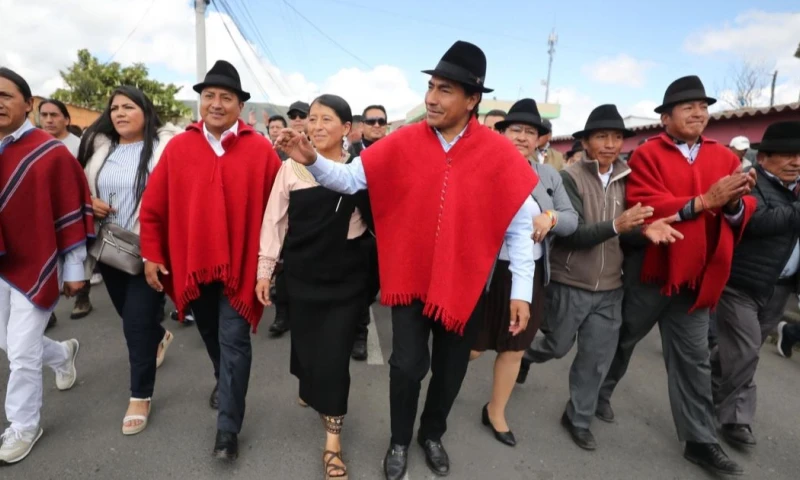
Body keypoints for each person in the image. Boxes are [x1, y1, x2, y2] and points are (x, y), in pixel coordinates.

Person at [276, 40, 538, 480]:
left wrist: (522, 293)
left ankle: (431, 435)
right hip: (410, 281)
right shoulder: (402, 142)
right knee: (406, 366)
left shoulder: (498, 155)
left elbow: (518, 225)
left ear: (473, 100)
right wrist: (313, 161)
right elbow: (349, 178)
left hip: (464, 284)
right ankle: (399, 440)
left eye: (446, 90)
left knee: (451, 370)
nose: (432, 98)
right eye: (431, 86)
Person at [597, 75, 756, 475]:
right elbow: (643, 205)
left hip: (695, 278)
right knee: (622, 338)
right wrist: (704, 202)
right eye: (688, 107)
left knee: (694, 360)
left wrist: (734, 204)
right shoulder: (648, 154)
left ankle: (700, 442)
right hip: (651, 272)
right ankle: (597, 393)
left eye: (703, 107)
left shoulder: (724, 158)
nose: (699, 113)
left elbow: (741, 211)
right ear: (665, 118)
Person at [139, 60, 282, 460]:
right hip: (193, 267)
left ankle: (227, 431)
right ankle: (225, 377)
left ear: (240, 106)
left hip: (240, 269)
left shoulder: (259, 150)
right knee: (209, 332)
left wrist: (270, 266)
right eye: (209, 96)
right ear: (200, 101)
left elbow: (278, 209)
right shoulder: (179, 147)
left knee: (234, 339)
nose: (216, 104)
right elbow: (154, 207)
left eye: (226, 97)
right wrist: (152, 254)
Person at [520, 105, 683, 451]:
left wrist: (645, 230)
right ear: (587, 141)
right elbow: (572, 233)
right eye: (601, 136)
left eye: (617, 137)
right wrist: (616, 226)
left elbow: (626, 234)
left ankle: (578, 417)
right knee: (556, 345)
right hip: (571, 282)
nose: (610, 144)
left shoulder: (629, 177)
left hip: (611, 286)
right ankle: (523, 357)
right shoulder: (570, 177)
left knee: (595, 359)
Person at [257, 94, 374, 479]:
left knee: (335, 359)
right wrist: (266, 270)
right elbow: (274, 221)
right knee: (307, 347)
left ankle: (333, 442)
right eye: (313, 118)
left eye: (328, 119)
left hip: (346, 279)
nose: (318, 125)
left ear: (347, 129)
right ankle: (308, 383)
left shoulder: (359, 171)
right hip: (303, 277)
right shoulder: (290, 169)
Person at [471, 98, 578, 447]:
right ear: (502, 132)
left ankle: (495, 411)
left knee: (515, 347)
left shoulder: (548, 176)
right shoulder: (482, 166)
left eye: (530, 132)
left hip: (529, 273)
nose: (522, 137)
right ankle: (436, 406)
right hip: (483, 272)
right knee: (470, 346)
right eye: (515, 129)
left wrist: (551, 218)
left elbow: (572, 219)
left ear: (540, 139)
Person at [0, 67, 92, 465]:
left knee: (19, 351)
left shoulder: (49, 152)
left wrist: (75, 271)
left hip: (38, 261)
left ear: (28, 103)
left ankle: (23, 426)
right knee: (6, 341)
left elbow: (70, 209)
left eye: (5, 95)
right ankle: (61, 354)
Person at [82, 86, 182, 435]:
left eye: (128, 107)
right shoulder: (100, 149)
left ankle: (140, 395)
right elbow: (80, 188)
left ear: (146, 111)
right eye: (114, 108)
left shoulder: (165, 148)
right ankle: (160, 336)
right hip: (109, 248)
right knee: (131, 316)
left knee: (135, 326)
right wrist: (88, 202)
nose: (120, 113)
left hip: (148, 250)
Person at [711, 120, 800, 448]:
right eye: (787, 156)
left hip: (780, 288)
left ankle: (710, 372)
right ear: (763, 159)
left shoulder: (797, 188)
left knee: (737, 351)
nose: (796, 162)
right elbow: (755, 221)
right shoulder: (749, 183)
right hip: (741, 284)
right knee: (748, 350)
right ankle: (736, 420)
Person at [38, 99, 94, 322]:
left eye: (55, 115)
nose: (49, 120)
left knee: (79, 255)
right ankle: (45, 309)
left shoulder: (78, 145)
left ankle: (83, 297)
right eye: (44, 115)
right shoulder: (35, 144)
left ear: (67, 119)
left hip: (75, 210)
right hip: (45, 212)